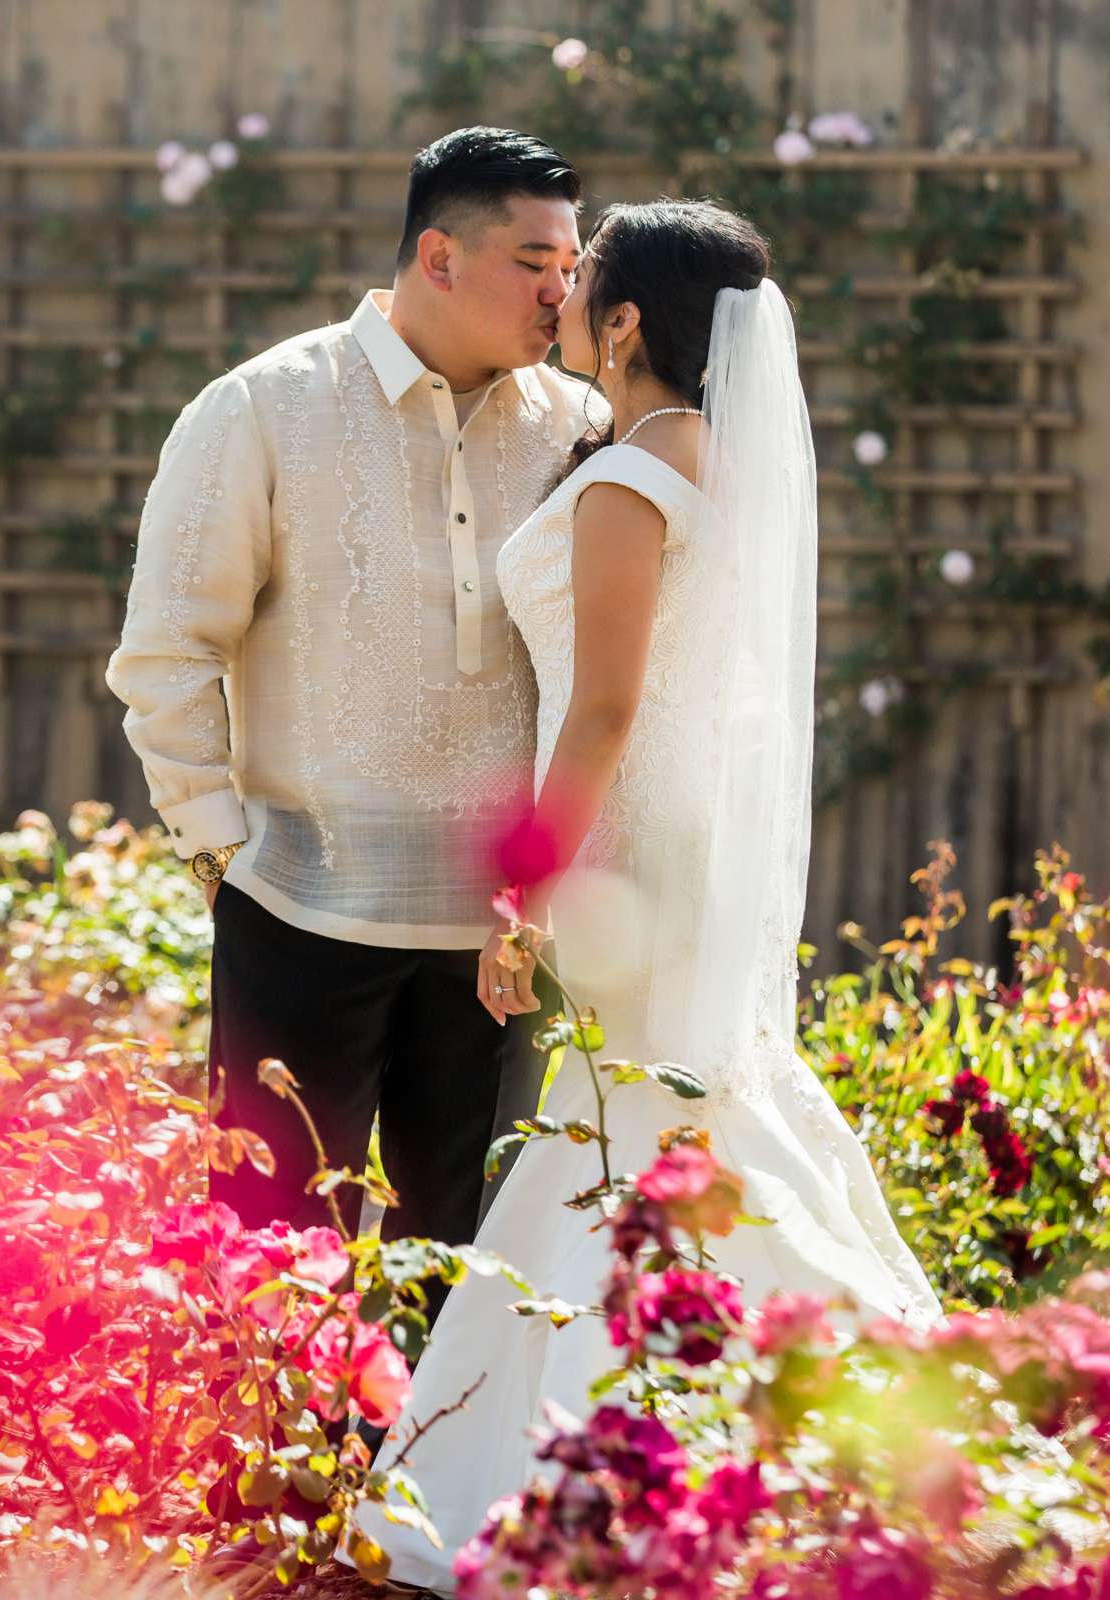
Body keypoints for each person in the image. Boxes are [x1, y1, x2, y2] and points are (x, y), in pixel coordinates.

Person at [351, 199, 944, 1592]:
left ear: (626, 324)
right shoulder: (697, 458)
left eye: (583, 287)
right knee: (661, 1123)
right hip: (667, 841)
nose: (560, 303)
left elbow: (606, 710)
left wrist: (527, 894)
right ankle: (727, 1446)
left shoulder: (630, 482)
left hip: (622, 846)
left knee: (626, 1129)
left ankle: (600, 1468)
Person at [105, 127, 589, 1274]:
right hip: (298, 912)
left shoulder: (578, 430)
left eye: (573, 266)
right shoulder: (264, 408)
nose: (561, 293)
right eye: (536, 263)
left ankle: (440, 1463)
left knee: (473, 1271)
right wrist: (220, 849)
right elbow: (168, 648)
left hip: (502, 943)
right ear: (439, 257)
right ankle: (274, 1465)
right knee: (270, 1257)